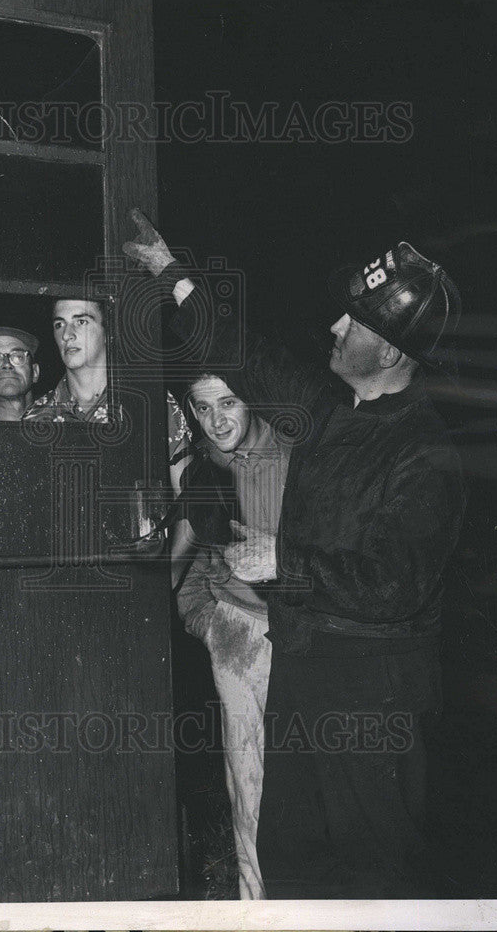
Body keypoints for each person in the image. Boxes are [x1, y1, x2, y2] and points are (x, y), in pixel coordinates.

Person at [124, 209, 466, 899]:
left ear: (394, 353)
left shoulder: (427, 454)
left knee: (373, 874)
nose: (336, 328)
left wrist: (286, 560)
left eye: (355, 323)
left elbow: (397, 582)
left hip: (375, 698)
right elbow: (245, 356)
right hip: (305, 669)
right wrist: (172, 274)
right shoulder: (331, 410)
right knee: (293, 859)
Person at [177, 372, 291, 899]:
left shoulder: (295, 455)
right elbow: (198, 555)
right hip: (237, 637)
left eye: (228, 402)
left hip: (302, 636)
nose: (216, 419)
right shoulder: (204, 471)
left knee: (301, 785)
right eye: (203, 409)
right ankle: (255, 906)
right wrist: (207, 621)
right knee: (245, 783)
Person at [22, 298, 192, 496]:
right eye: (59, 324)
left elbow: (188, 501)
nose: (67, 335)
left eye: (81, 321)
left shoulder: (149, 403)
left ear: (108, 332)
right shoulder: (36, 416)